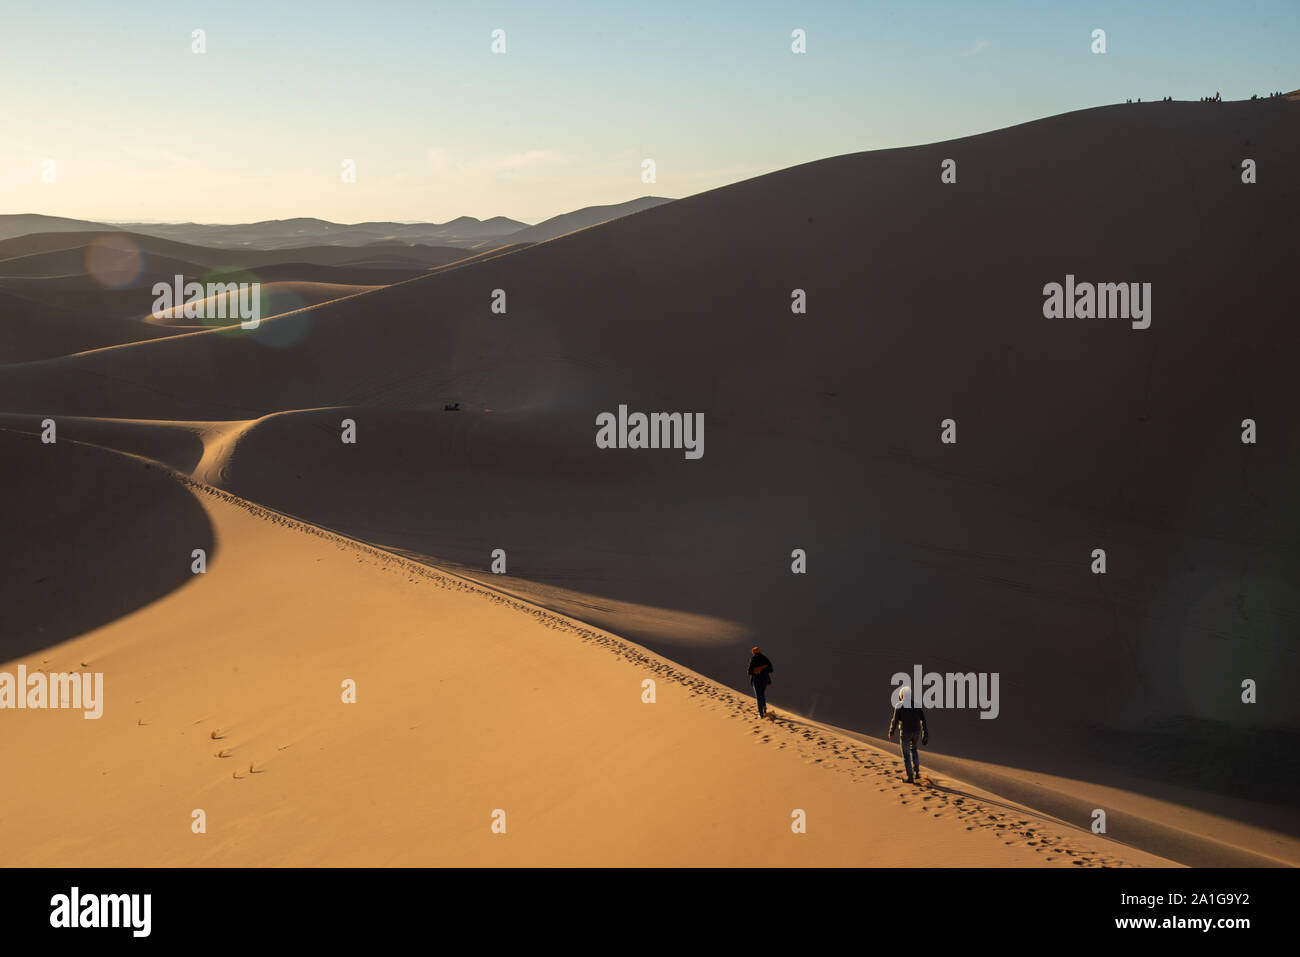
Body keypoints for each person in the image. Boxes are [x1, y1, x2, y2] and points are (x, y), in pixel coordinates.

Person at [887, 685, 929, 784]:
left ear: (902, 695)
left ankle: (910, 777)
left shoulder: (899, 705)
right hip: (916, 732)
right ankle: (917, 773)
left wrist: (891, 732)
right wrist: (925, 733)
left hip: (905, 732)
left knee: (906, 755)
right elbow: (923, 720)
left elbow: (894, 721)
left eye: (900, 695)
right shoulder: (917, 704)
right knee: (914, 750)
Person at [747, 646, 774, 718]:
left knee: (759, 696)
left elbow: (749, 671)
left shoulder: (753, 658)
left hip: (756, 679)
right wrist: (763, 669)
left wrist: (757, 670)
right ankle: (764, 709)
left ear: (754, 652)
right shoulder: (765, 659)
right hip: (764, 679)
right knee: (762, 694)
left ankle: (761, 713)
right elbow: (771, 669)